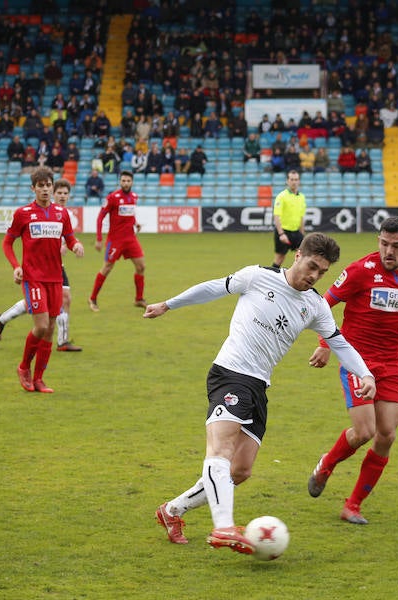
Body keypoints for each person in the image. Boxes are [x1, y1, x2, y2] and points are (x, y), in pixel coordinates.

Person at [146, 232, 376, 553]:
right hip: (230, 373)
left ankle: (172, 511)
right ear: (297, 255)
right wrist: (168, 305)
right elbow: (213, 287)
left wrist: (364, 373)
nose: (314, 276)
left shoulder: (314, 305)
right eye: (312, 266)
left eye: (322, 272)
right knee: (221, 450)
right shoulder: (257, 277)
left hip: (259, 386)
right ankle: (223, 527)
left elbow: (338, 342)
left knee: (240, 470)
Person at [306, 216, 398, 525]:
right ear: (378, 241)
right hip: (356, 359)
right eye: (384, 244)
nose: (389, 251)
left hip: (392, 363)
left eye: (396, 246)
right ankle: (326, 465)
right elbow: (324, 305)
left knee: (386, 435)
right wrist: (325, 343)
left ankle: (353, 505)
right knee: (364, 432)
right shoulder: (359, 271)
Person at [1, 167, 84, 393]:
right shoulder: (23, 213)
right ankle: (23, 367)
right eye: (41, 186)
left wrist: (76, 245)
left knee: (50, 330)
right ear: (33, 188)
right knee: (41, 326)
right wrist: (16, 266)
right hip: (33, 278)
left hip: (55, 278)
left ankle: (39, 379)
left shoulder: (61, 213)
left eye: (48, 185)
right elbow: (7, 243)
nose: (45, 189)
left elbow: (69, 236)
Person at [88, 170, 146, 311]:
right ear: (120, 182)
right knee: (107, 268)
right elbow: (100, 217)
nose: (126, 183)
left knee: (141, 267)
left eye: (128, 181)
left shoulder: (134, 197)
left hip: (131, 239)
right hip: (115, 240)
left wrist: (135, 223)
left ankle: (138, 299)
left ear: (132, 182)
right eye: (123, 181)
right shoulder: (112, 198)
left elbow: (130, 214)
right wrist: (99, 239)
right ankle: (93, 298)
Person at [271, 170, 306, 268]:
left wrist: (302, 233)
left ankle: (297, 279)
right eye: (292, 179)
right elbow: (276, 216)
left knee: (304, 256)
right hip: (284, 232)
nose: (294, 182)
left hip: (296, 232)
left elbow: (301, 217)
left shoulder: (302, 197)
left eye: (296, 179)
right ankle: (271, 280)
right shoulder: (282, 196)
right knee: (279, 258)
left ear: (299, 181)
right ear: (287, 181)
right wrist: (281, 234)